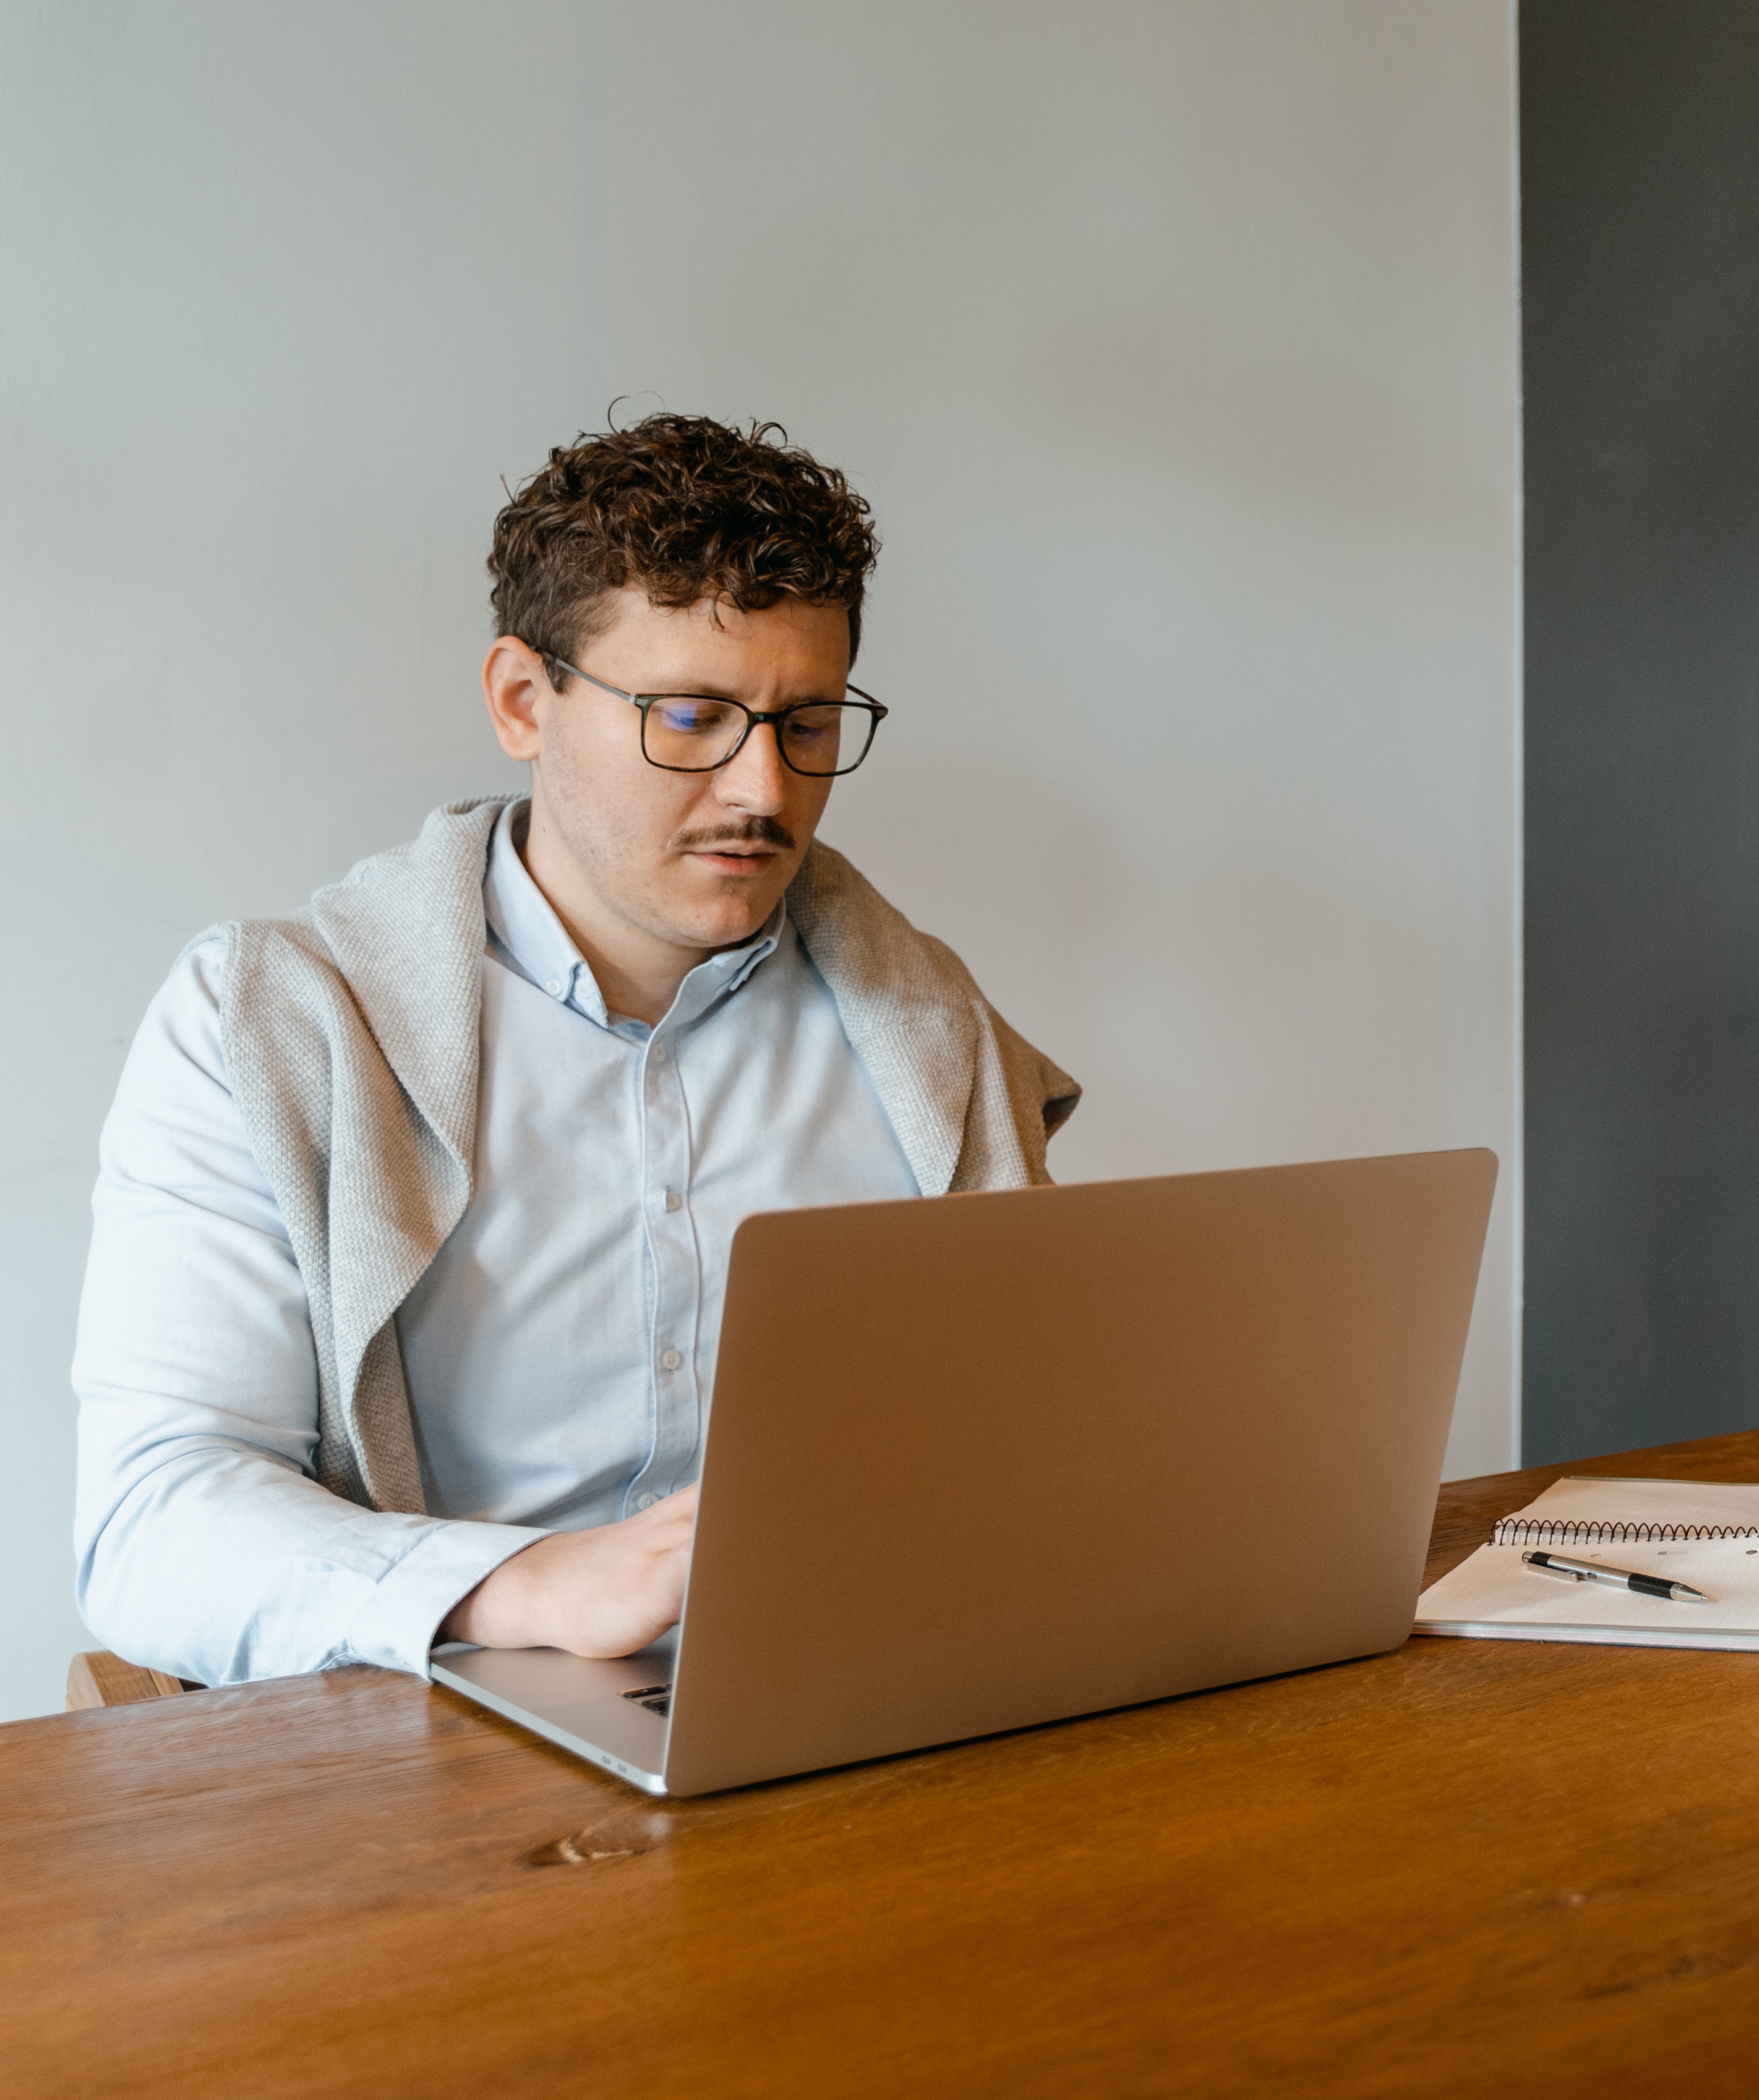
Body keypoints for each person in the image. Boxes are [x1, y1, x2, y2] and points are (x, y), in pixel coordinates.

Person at [74, 414, 1074, 1686]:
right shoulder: (261, 1027)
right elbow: (153, 1517)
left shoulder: (930, 1035)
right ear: (520, 701)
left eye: (807, 721)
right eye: (692, 716)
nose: (764, 789)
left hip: (858, 1700)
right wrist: (524, 1582)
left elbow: (1026, 1439)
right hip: (430, 1736)